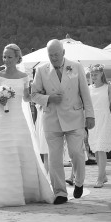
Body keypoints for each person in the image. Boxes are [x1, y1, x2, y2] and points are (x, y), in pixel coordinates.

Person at [0, 44, 54, 209]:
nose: (6, 60)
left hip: (18, 118)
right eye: (4, 56)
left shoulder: (24, 77)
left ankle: (26, 192)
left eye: (9, 57)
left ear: (18, 58)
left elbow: (26, 98)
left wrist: (41, 97)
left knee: (22, 150)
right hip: (1, 119)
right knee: (0, 150)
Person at [31, 39, 95, 205]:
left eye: (56, 55)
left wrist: (90, 115)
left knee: (76, 153)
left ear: (63, 53)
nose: (54, 58)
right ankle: (60, 193)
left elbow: (85, 93)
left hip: (74, 117)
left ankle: (79, 181)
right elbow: (33, 94)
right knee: (54, 159)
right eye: (50, 55)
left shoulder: (76, 67)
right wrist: (49, 98)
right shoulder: (41, 70)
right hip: (52, 119)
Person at [87, 64, 111, 188]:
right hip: (92, 121)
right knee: (96, 149)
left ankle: (100, 178)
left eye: (95, 74)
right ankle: (104, 174)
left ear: (101, 74)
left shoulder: (108, 87)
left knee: (101, 148)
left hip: (105, 120)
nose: (93, 76)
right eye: (91, 74)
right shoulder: (88, 88)